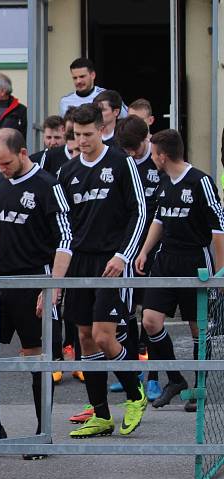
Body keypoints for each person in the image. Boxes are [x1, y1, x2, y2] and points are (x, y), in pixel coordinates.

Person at [57, 103, 147, 439]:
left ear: (101, 130)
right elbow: (63, 227)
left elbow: (140, 212)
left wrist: (123, 256)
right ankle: (101, 415)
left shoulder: (120, 162)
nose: (82, 140)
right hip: (81, 261)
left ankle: (135, 395)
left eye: (88, 134)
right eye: (77, 135)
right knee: (83, 337)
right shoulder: (67, 172)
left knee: (103, 334)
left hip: (113, 261)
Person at [0, 128, 73, 458]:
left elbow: (65, 240)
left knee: (36, 360)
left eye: (6, 162)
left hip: (32, 282)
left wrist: (52, 286)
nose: (2, 169)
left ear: (23, 153)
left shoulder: (48, 186)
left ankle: (43, 432)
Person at [136, 129, 224, 412]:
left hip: (194, 261)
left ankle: (199, 388)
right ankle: (175, 379)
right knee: (150, 321)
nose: (152, 157)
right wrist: (145, 250)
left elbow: (218, 230)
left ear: (163, 155)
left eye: (153, 153)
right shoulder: (163, 183)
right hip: (165, 261)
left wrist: (220, 274)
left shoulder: (201, 182)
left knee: (198, 327)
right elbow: (159, 220)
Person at [114, 115, 165, 402]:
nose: (131, 154)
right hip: (130, 249)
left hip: (157, 249)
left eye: (135, 148)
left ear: (147, 137)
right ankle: (132, 372)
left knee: (152, 314)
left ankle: (154, 376)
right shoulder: (124, 163)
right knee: (128, 312)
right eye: (126, 150)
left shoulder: (160, 160)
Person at [59, 57, 128, 117]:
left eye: (82, 76)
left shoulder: (108, 96)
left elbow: (127, 118)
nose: (78, 81)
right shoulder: (65, 101)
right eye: (75, 78)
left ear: (93, 75)